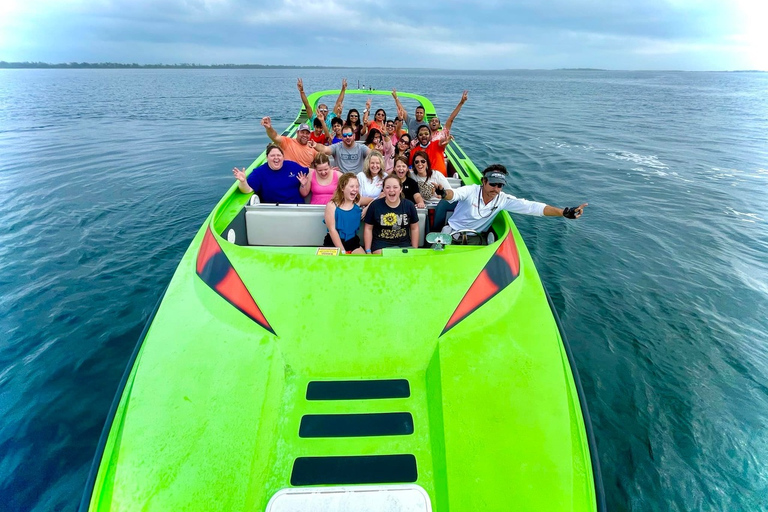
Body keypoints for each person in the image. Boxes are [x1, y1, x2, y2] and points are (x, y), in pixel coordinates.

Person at [437, 164, 588, 235]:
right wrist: (443, 193)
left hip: (477, 239)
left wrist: (563, 212)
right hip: (452, 232)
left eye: (500, 185)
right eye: (492, 184)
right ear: (483, 181)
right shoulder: (471, 190)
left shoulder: (503, 199)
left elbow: (532, 207)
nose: (496, 189)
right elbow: (454, 194)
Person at [232, 143, 307, 204]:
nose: (276, 158)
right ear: (267, 158)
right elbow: (247, 190)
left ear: (283, 157)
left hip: (297, 209)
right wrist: (243, 181)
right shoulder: (259, 173)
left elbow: (309, 172)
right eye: (272, 155)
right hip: (273, 211)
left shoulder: (292, 166)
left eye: (278, 155)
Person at [363, 175, 420, 254]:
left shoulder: (409, 205)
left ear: (400, 189)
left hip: (403, 245)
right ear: (383, 190)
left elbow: (414, 228)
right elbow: (368, 229)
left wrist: (414, 250)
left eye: (395, 187)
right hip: (381, 245)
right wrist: (368, 251)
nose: (391, 190)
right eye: (388, 187)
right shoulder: (375, 206)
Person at [323, 173, 365, 254]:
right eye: (352, 186)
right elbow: (332, 230)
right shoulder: (332, 205)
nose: (355, 189)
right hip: (333, 242)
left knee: (364, 263)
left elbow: (373, 201)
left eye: (357, 186)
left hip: (352, 241)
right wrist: (342, 251)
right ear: (342, 188)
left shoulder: (357, 202)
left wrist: (366, 209)